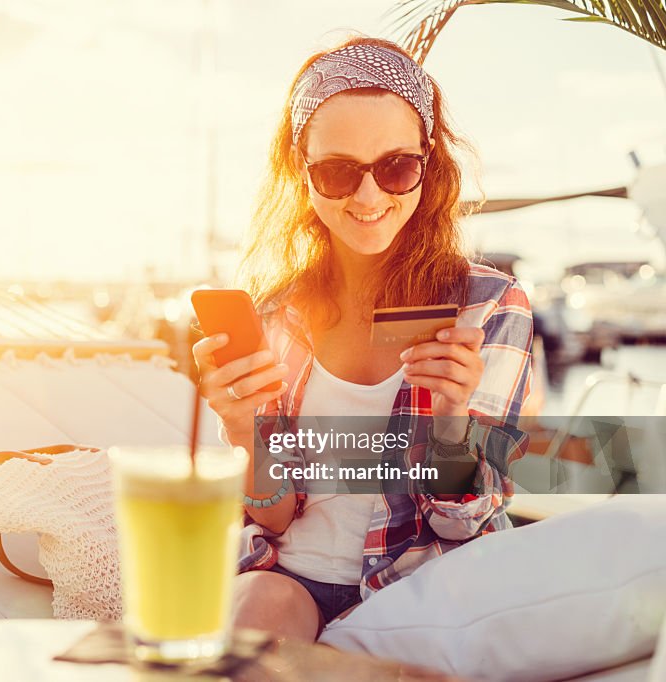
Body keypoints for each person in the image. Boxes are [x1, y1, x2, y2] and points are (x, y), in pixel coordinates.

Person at [192, 36, 533, 643]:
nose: (369, 197)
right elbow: (271, 514)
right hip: (285, 578)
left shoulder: (488, 307)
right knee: (251, 622)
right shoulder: (279, 313)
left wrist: (452, 421)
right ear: (303, 174)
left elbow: (460, 527)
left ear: (429, 163)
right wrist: (245, 432)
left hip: (423, 587)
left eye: (396, 167)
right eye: (338, 171)